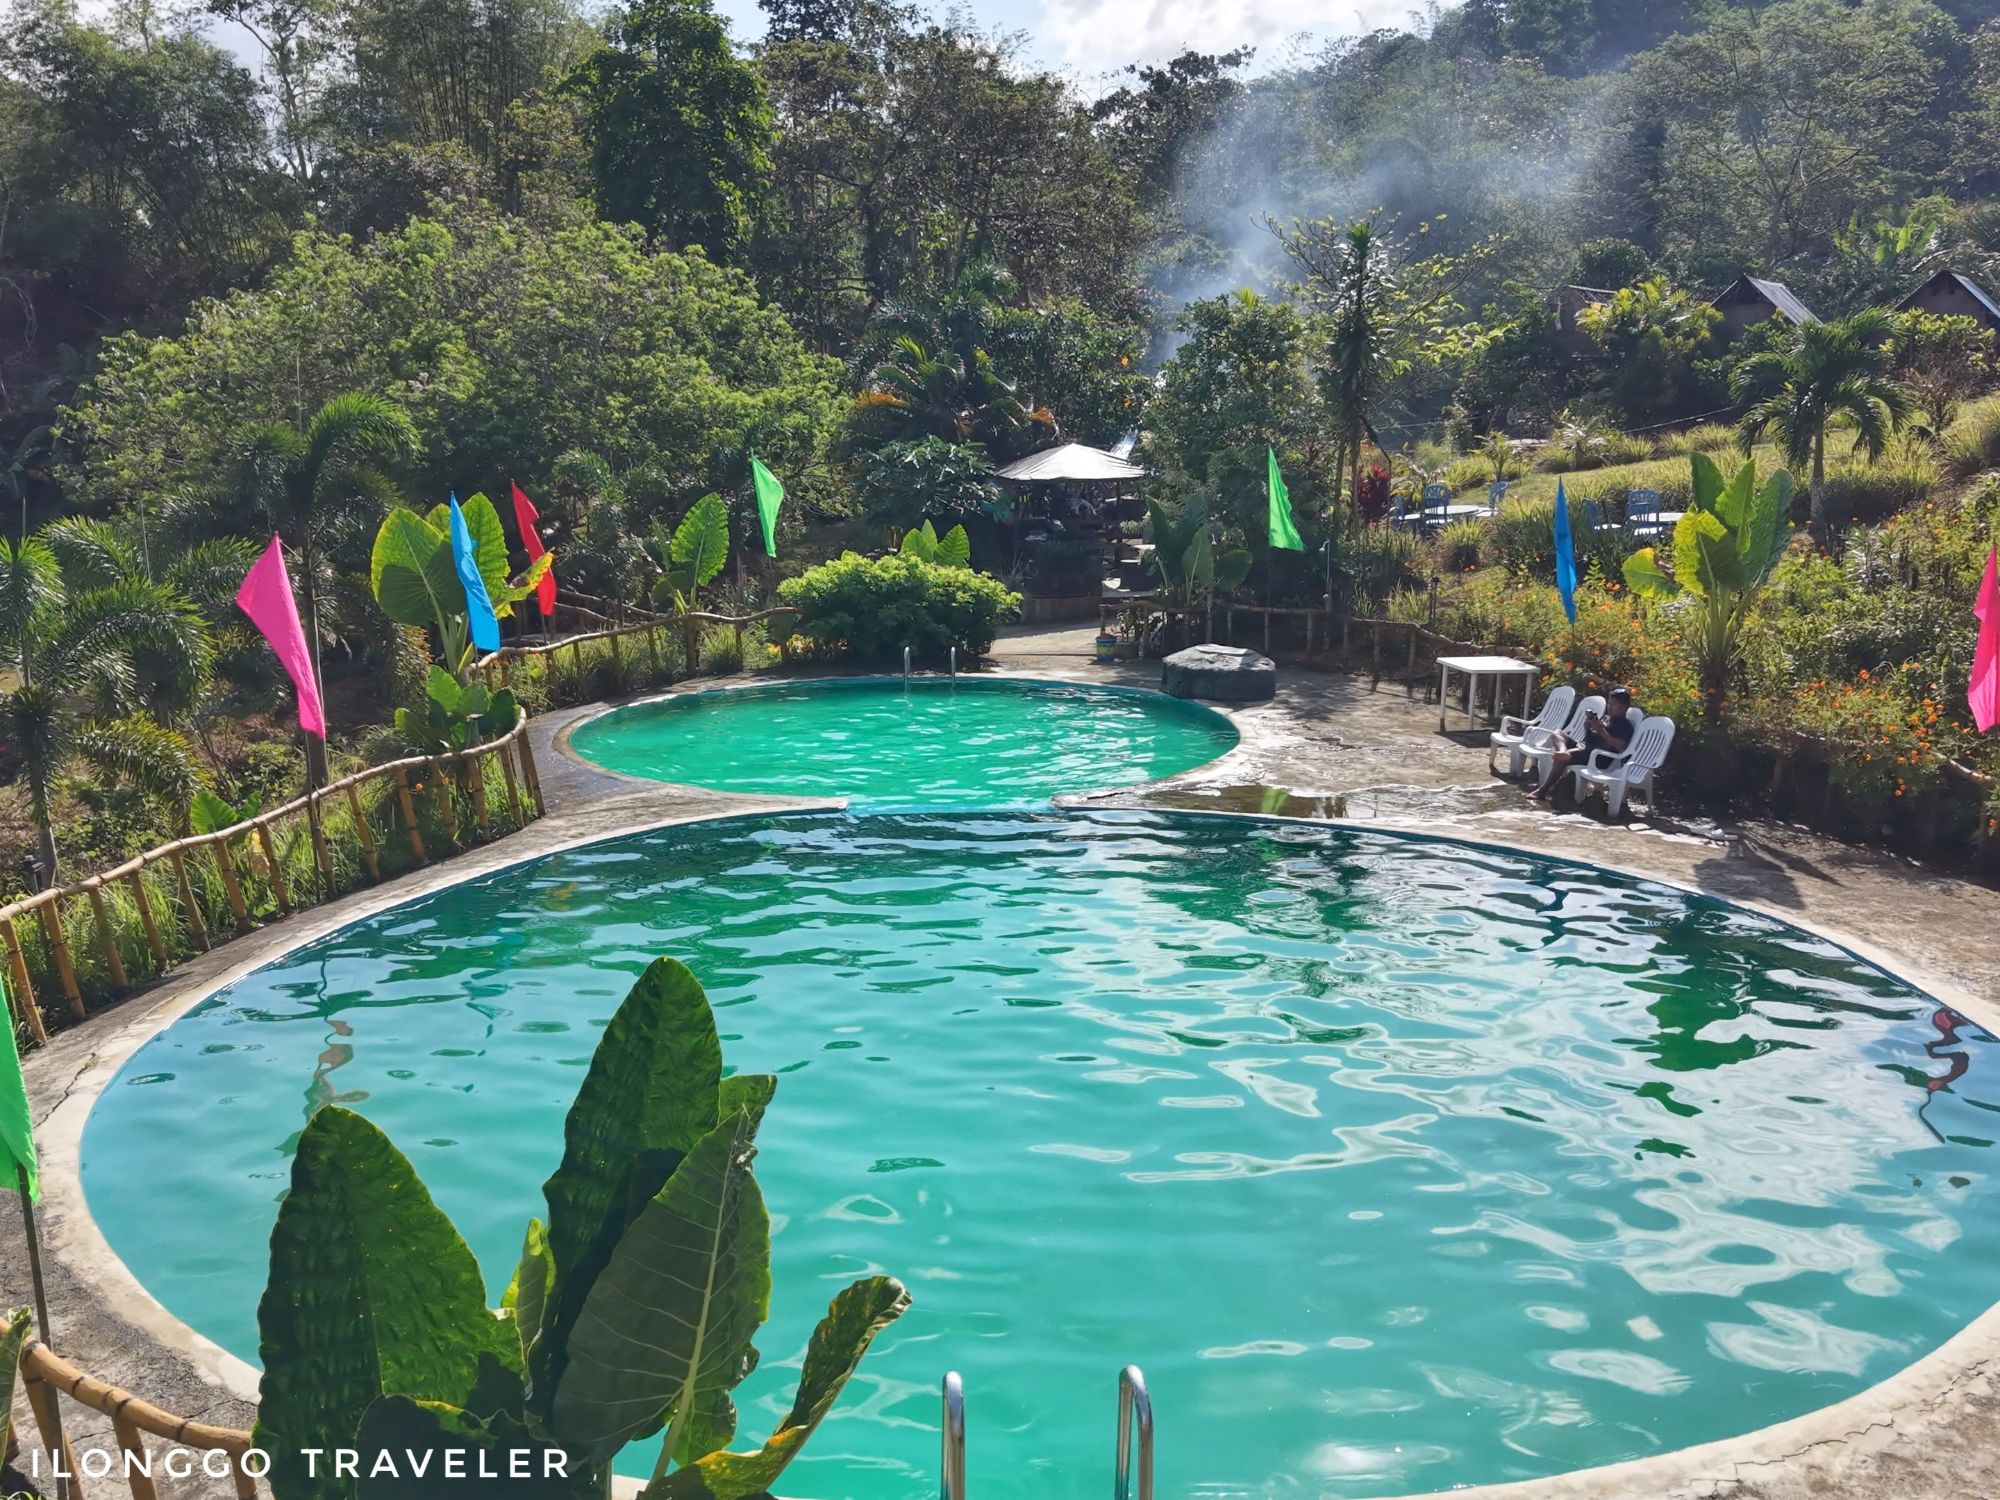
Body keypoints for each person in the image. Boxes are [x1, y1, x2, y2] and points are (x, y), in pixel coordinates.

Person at [1529, 685, 1635, 800]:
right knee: (1557, 733)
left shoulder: (1624, 725)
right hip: (1585, 747)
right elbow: (1591, 738)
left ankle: (1542, 791)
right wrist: (1588, 728)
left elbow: (1619, 745)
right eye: (1609, 703)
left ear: (1624, 707)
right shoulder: (1606, 718)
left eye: (1614, 704)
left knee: (1561, 759)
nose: (1610, 707)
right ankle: (1563, 751)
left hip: (1598, 757)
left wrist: (1600, 730)